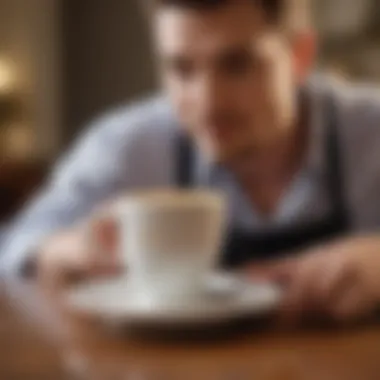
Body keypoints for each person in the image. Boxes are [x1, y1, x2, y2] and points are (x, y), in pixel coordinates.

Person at [2, 0, 380, 322]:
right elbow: (14, 251)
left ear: (300, 56)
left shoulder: (370, 131)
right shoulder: (128, 146)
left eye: (237, 65)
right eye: (181, 69)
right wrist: (67, 251)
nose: (208, 102)